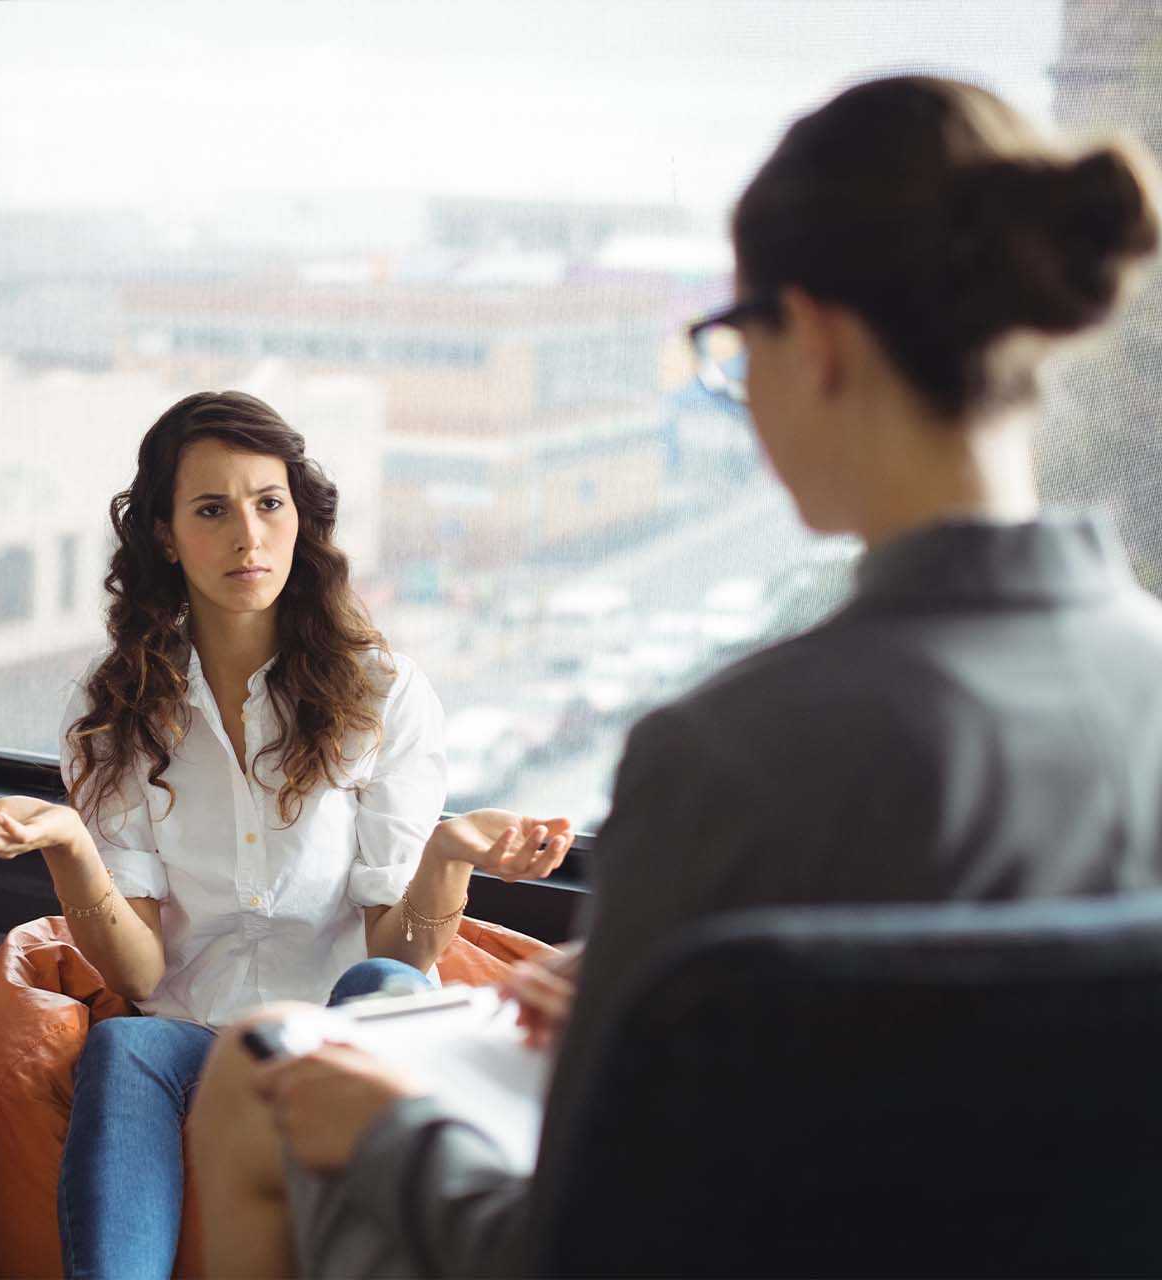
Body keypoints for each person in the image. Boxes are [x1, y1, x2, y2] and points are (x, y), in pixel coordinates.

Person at [189, 74, 1162, 1278]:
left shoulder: (733, 754)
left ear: (816, 340)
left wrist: (393, 1132)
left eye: (734, 340)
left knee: (263, 1069)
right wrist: (688, 987)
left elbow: (574, 1251)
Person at [0, 390, 572, 1278]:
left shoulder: (384, 693)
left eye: (269, 503)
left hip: (337, 1023)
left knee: (382, 981)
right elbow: (142, 975)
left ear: (300, 517)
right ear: (163, 533)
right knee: (124, 1042)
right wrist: (69, 843)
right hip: (188, 1030)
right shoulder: (112, 708)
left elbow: (399, 957)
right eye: (211, 509)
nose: (248, 536)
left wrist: (450, 853)